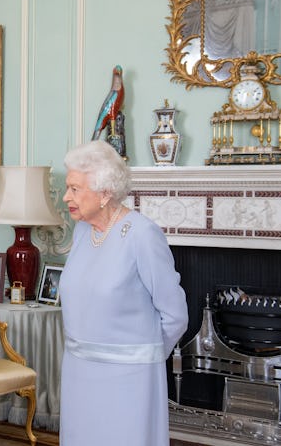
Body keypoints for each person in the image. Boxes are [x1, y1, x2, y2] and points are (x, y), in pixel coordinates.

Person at [58, 140, 188, 446]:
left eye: (75, 189)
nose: (66, 197)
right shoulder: (82, 231)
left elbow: (175, 315)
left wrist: (144, 357)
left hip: (130, 381)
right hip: (79, 372)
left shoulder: (142, 234)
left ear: (104, 193)